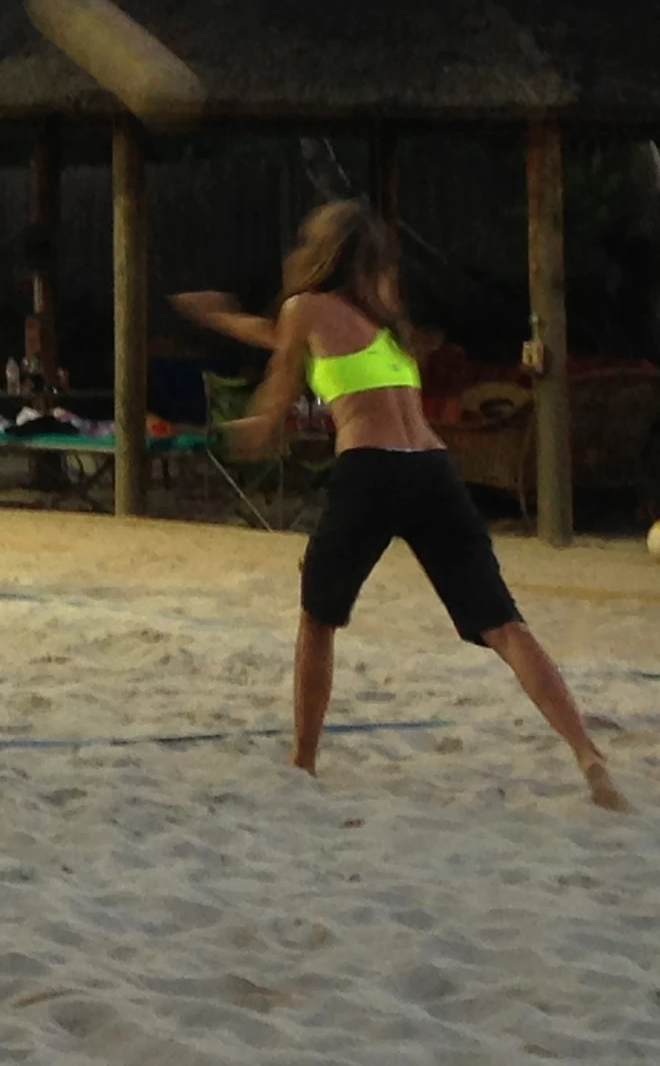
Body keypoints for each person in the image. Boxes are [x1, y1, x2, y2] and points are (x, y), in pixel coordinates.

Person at [183, 198, 625, 810]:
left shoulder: (304, 307)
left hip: (370, 469)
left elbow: (277, 391)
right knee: (503, 624)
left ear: (321, 253)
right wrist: (226, 321)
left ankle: (303, 760)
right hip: (434, 471)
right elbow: (293, 341)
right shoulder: (386, 322)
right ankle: (589, 757)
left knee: (318, 616)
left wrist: (252, 425)